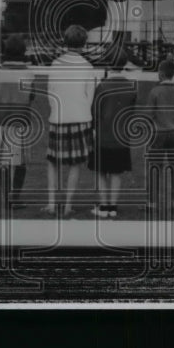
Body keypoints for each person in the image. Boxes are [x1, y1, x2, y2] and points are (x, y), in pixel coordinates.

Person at [42, 24, 96, 217]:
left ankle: (51, 204)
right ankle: (67, 206)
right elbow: (90, 96)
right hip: (80, 117)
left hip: (59, 117)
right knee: (75, 164)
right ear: (84, 43)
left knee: (53, 162)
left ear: (65, 41)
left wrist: (56, 110)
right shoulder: (88, 67)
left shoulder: (56, 64)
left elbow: (51, 93)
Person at [88, 50, 138, 218]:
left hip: (103, 137)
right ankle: (113, 208)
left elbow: (94, 112)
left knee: (102, 173)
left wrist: (92, 131)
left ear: (109, 65)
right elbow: (131, 114)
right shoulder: (131, 87)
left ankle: (104, 207)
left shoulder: (101, 87)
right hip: (121, 137)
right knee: (116, 173)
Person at [0, 35, 35, 208]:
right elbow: (32, 96)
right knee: (21, 162)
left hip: (1, 121)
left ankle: (6, 196)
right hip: (21, 121)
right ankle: (15, 196)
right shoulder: (28, 73)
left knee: (4, 161)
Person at [145, 57, 174, 211]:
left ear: (160, 74)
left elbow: (148, 115)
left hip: (158, 133)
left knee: (154, 168)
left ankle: (152, 203)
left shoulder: (155, 91)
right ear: (173, 75)